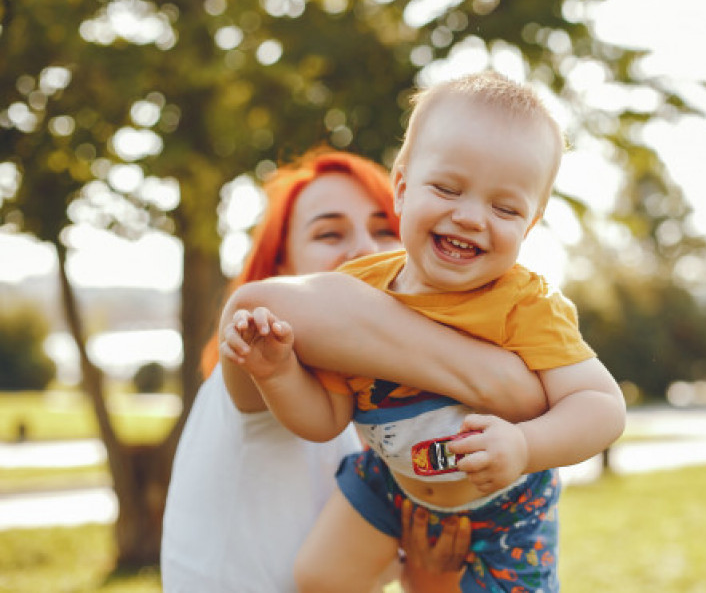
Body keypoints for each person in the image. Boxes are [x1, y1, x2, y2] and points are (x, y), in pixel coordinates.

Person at [220, 72, 627, 592]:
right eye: (447, 188)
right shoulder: (358, 296)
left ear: (530, 223)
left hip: (506, 506)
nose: (471, 217)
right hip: (395, 486)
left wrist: (525, 446)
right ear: (403, 186)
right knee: (318, 578)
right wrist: (277, 372)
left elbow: (601, 406)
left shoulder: (526, 305)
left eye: (504, 208)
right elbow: (327, 420)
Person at [161, 148, 548, 593]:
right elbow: (254, 306)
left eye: (385, 230)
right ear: (282, 267)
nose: (365, 248)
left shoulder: (385, 421)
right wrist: (516, 383)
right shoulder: (259, 361)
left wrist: (429, 573)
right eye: (328, 234)